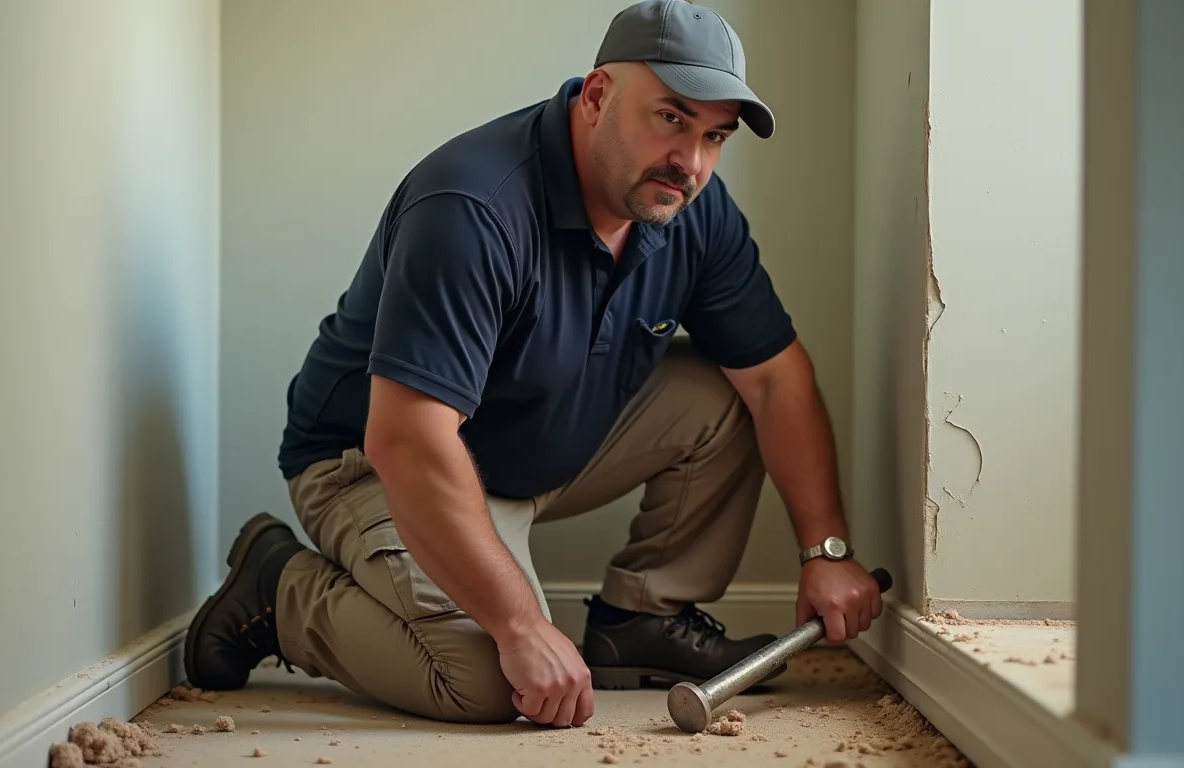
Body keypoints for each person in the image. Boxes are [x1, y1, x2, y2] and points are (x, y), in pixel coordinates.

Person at [183, 0, 882, 730]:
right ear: (597, 95)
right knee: (491, 684)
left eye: (715, 135)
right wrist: (517, 628)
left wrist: (825, 549)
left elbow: (775, 380)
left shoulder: (687, 207)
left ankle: (640, 619)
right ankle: (279, 588)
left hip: (537, 441)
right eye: (671, 118)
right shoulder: (474, 206)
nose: (693, 162)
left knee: (727, 389)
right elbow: (408, 439)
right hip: (373, 463)